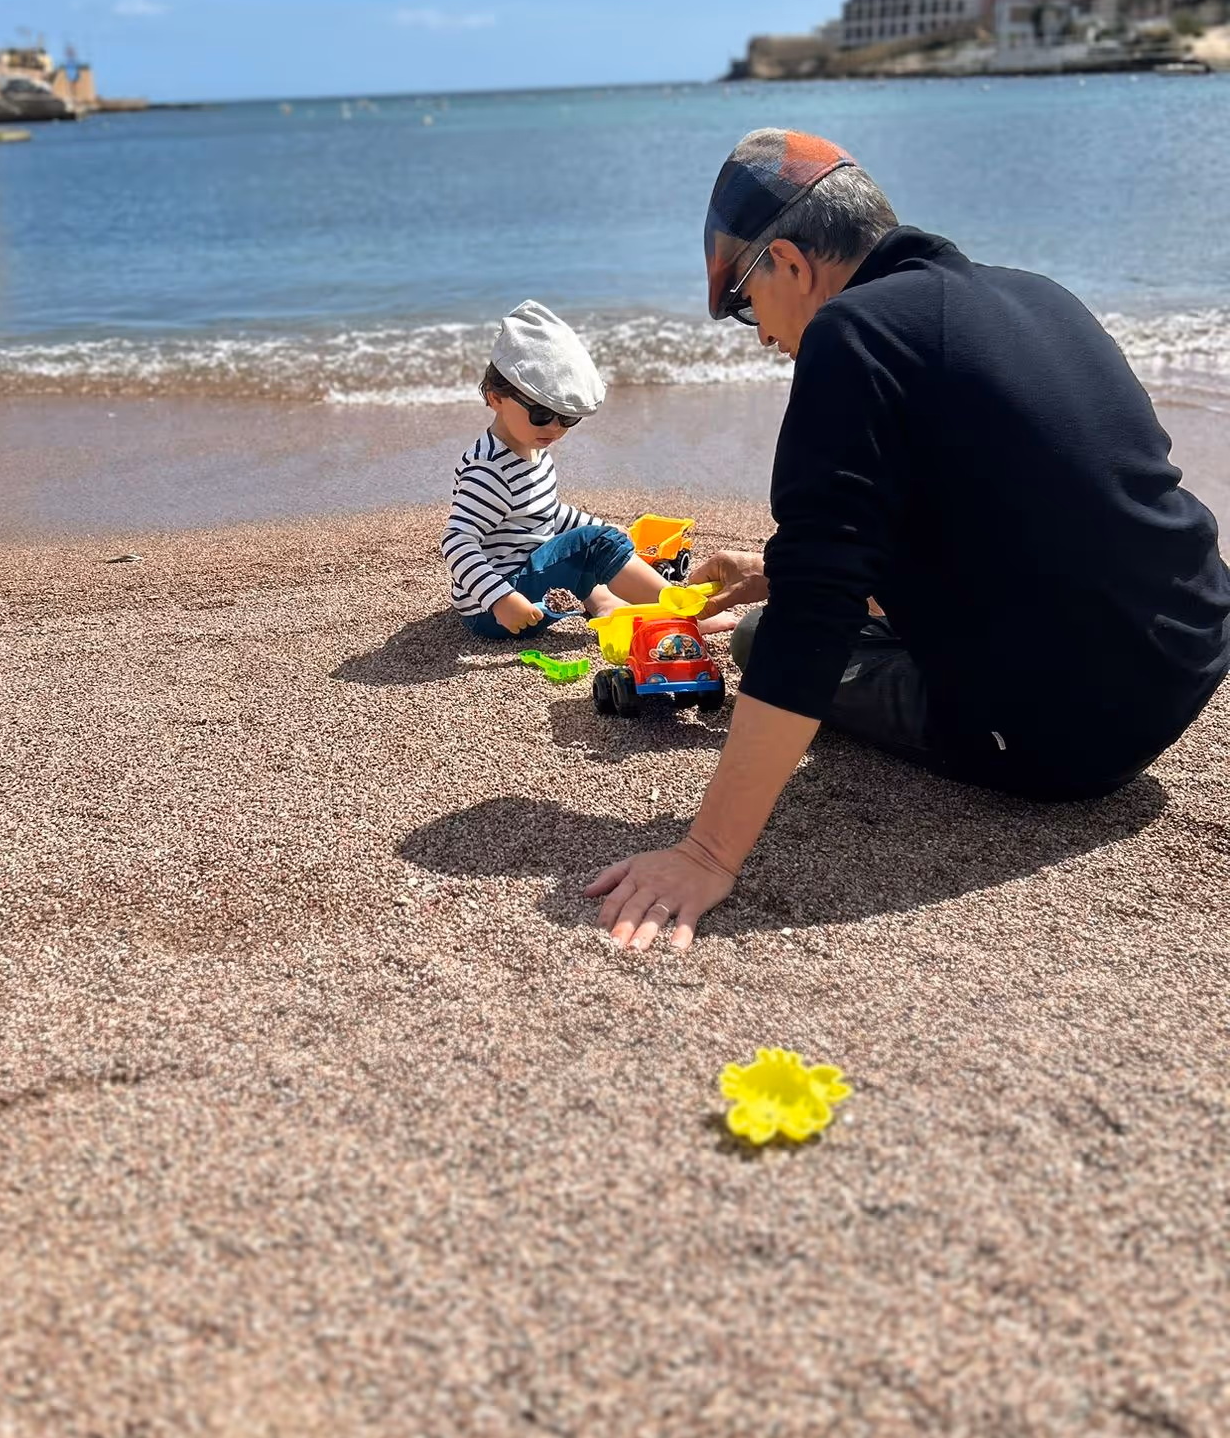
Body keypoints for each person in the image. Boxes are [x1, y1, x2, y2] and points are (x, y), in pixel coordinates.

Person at [589, 127, 1230, 954]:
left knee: (755, 637)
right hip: (1187, 653)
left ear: (789, 260)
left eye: (745, 301)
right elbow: (1023, 521)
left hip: (1075, 732)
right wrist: (779, 565)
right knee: (798, 594)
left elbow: (813, 623)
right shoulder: (1035, 294)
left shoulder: (851, 335)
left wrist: (705, 853)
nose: (758, 334)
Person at [443, 300, 678, 638]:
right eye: (541, 414)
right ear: (496, 398)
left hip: (519, 585)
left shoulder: (533, 450)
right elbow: (457, 540)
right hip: (498, 608)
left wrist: (601, 526)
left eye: (567, 417)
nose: (553, 428)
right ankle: (680, 612)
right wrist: (501, 599)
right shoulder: (489, 470)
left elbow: (546, 514)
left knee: (593, 540)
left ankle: (603, 602)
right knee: (594, 546)